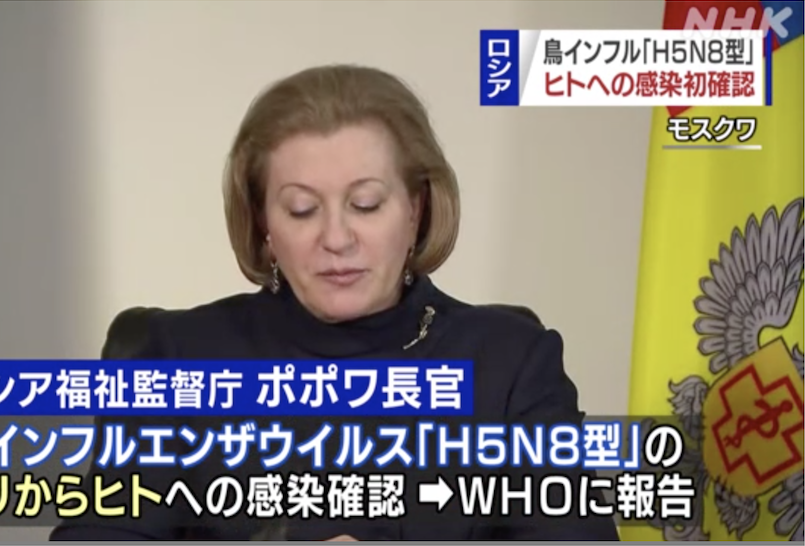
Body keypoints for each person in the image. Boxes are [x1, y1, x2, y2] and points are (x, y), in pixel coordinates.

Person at [49, 64, 619, 541]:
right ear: (263, 223)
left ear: (416, 210)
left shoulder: (511, 365)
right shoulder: (175, 359)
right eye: (301, 209)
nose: (337, 238)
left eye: (366, 204)